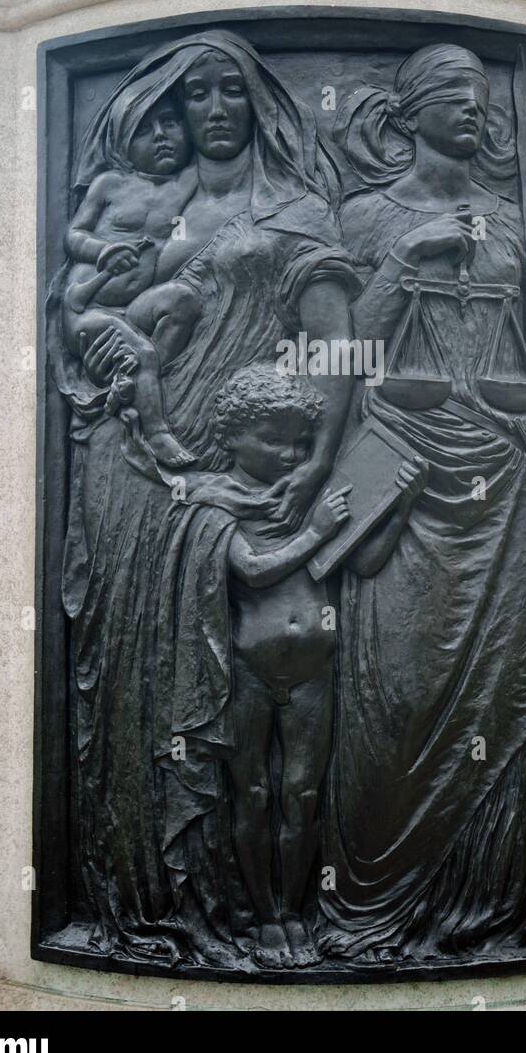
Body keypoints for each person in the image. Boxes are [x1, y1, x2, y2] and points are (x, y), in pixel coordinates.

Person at [53, 30, 361, 964]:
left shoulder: (299, 212)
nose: (216, 109)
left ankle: (255, 906)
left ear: (257, 104)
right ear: (174, 113)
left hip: (252, 474)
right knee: (140, 671)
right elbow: (85, 317)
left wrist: (311, 469)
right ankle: (150, 893)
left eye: (233, 91)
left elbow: (336, 351)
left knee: (241, 696)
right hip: (136, 468)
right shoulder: (148, 207)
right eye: (198, 97)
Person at [319, 42, 526, 961]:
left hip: (510, 479)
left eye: (481, 98)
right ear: (408, 113)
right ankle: (368, 903)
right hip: (402, 478)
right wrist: (404, 263)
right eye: (451, 95)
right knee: (392, 693)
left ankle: (493, 904)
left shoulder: (516, 222)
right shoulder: (365, 219)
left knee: (506, 697)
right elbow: (333, 358)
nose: (473, 110)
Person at [198, 364, 427, 967]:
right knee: (251, 794)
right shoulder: (213, 499)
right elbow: (248, 568)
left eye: (299, 441)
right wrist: (317, 529)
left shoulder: (313, 498)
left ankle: (297, 912)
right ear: (233, 437)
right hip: (246, 670)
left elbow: (366, 561)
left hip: (311, 673)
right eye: (273, 439)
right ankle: (264, 918)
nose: (290, 453)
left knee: (300, 795)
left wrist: (396, 502)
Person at [61, 89, 200, 470]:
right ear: (123, 142)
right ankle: (156, 433)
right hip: (87, 309)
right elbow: (73, 235)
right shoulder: (110, 184)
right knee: (142, 351)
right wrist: (101, 251)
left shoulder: (189, 182)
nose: (160, 135)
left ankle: (133, 387)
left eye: (170, 122)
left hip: (133, 310)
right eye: (144, 130)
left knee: (181, 301)